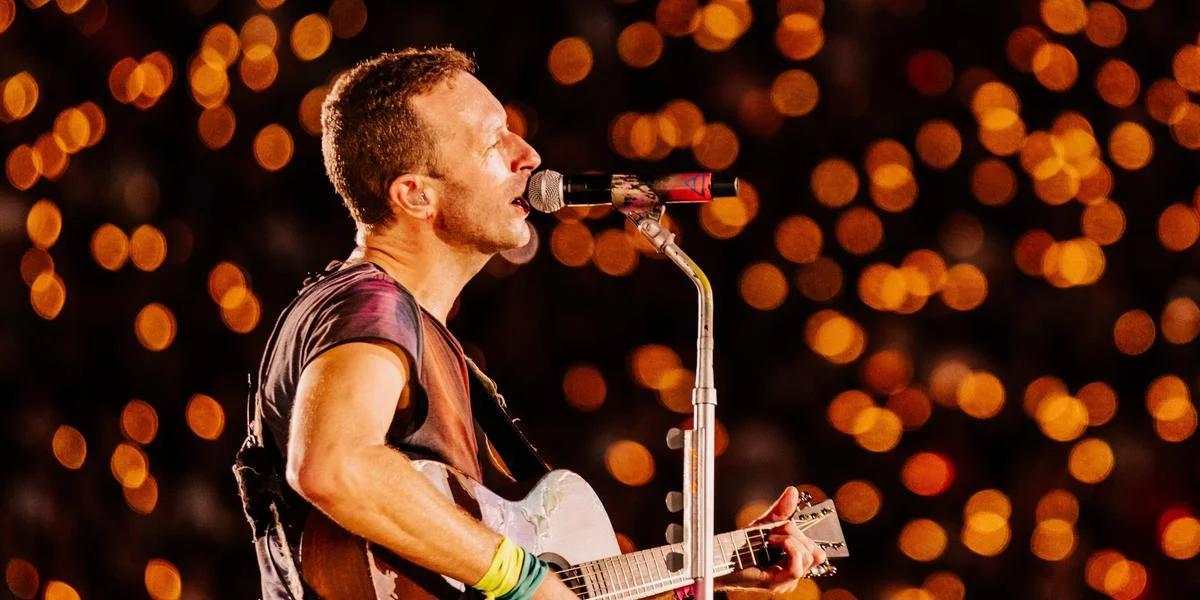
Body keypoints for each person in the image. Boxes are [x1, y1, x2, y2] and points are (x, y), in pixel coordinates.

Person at [237, 46, 827, 599]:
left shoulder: (413, 330)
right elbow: (334, 465)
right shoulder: (367, 306)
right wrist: (521, 579)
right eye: (493, 143)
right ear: (415, 195)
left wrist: (707, 573)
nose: (530, 156)